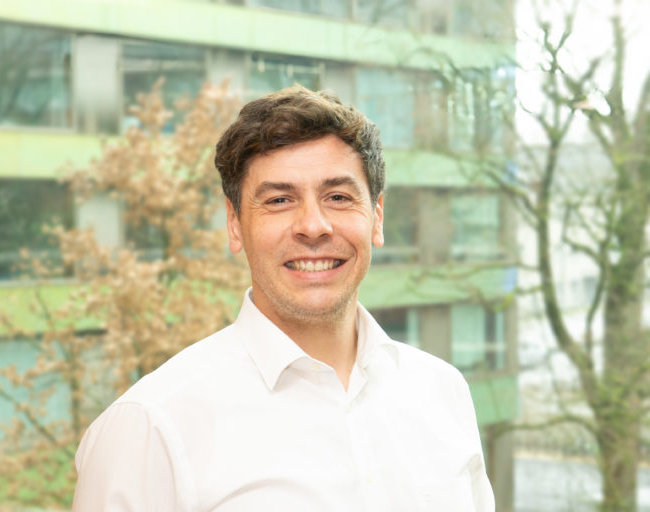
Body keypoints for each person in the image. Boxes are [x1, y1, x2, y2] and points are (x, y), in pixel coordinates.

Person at [73, 85, 495, 511]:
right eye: (279, 200)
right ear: (235, 224)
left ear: (377, 217)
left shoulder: (442, 392)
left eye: (338, 197)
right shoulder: (150, 427)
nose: (313, 226)